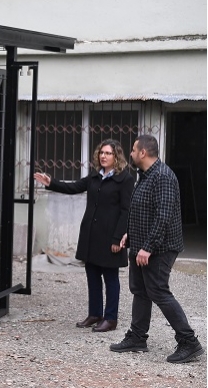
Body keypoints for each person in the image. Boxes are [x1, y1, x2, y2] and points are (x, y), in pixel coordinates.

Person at [110, 134, 204, 363]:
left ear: (143, 152)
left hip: (160, 248)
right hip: (142, 245)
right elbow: (143, 211)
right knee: (140, 290)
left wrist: (148, 247)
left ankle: (189, 341)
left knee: (158, 291)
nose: (130, 153)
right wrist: (130, 235)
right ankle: (137, 337)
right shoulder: (145, 175)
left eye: (133, 150)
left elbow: (163, 216)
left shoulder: (163, 176)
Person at [34, 139, 134, 332]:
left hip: (110, 237)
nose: (103, 156)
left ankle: (110, 318)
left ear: (116, 156)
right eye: (101, 153)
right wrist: (51, 182)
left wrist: (118, 238)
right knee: (92, 275)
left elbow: (126, 211)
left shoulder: (125, 179)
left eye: (108, 153)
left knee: (111, 278)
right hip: (92, 235)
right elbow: (74, 187)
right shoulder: (95, 176)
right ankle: (95, 314)